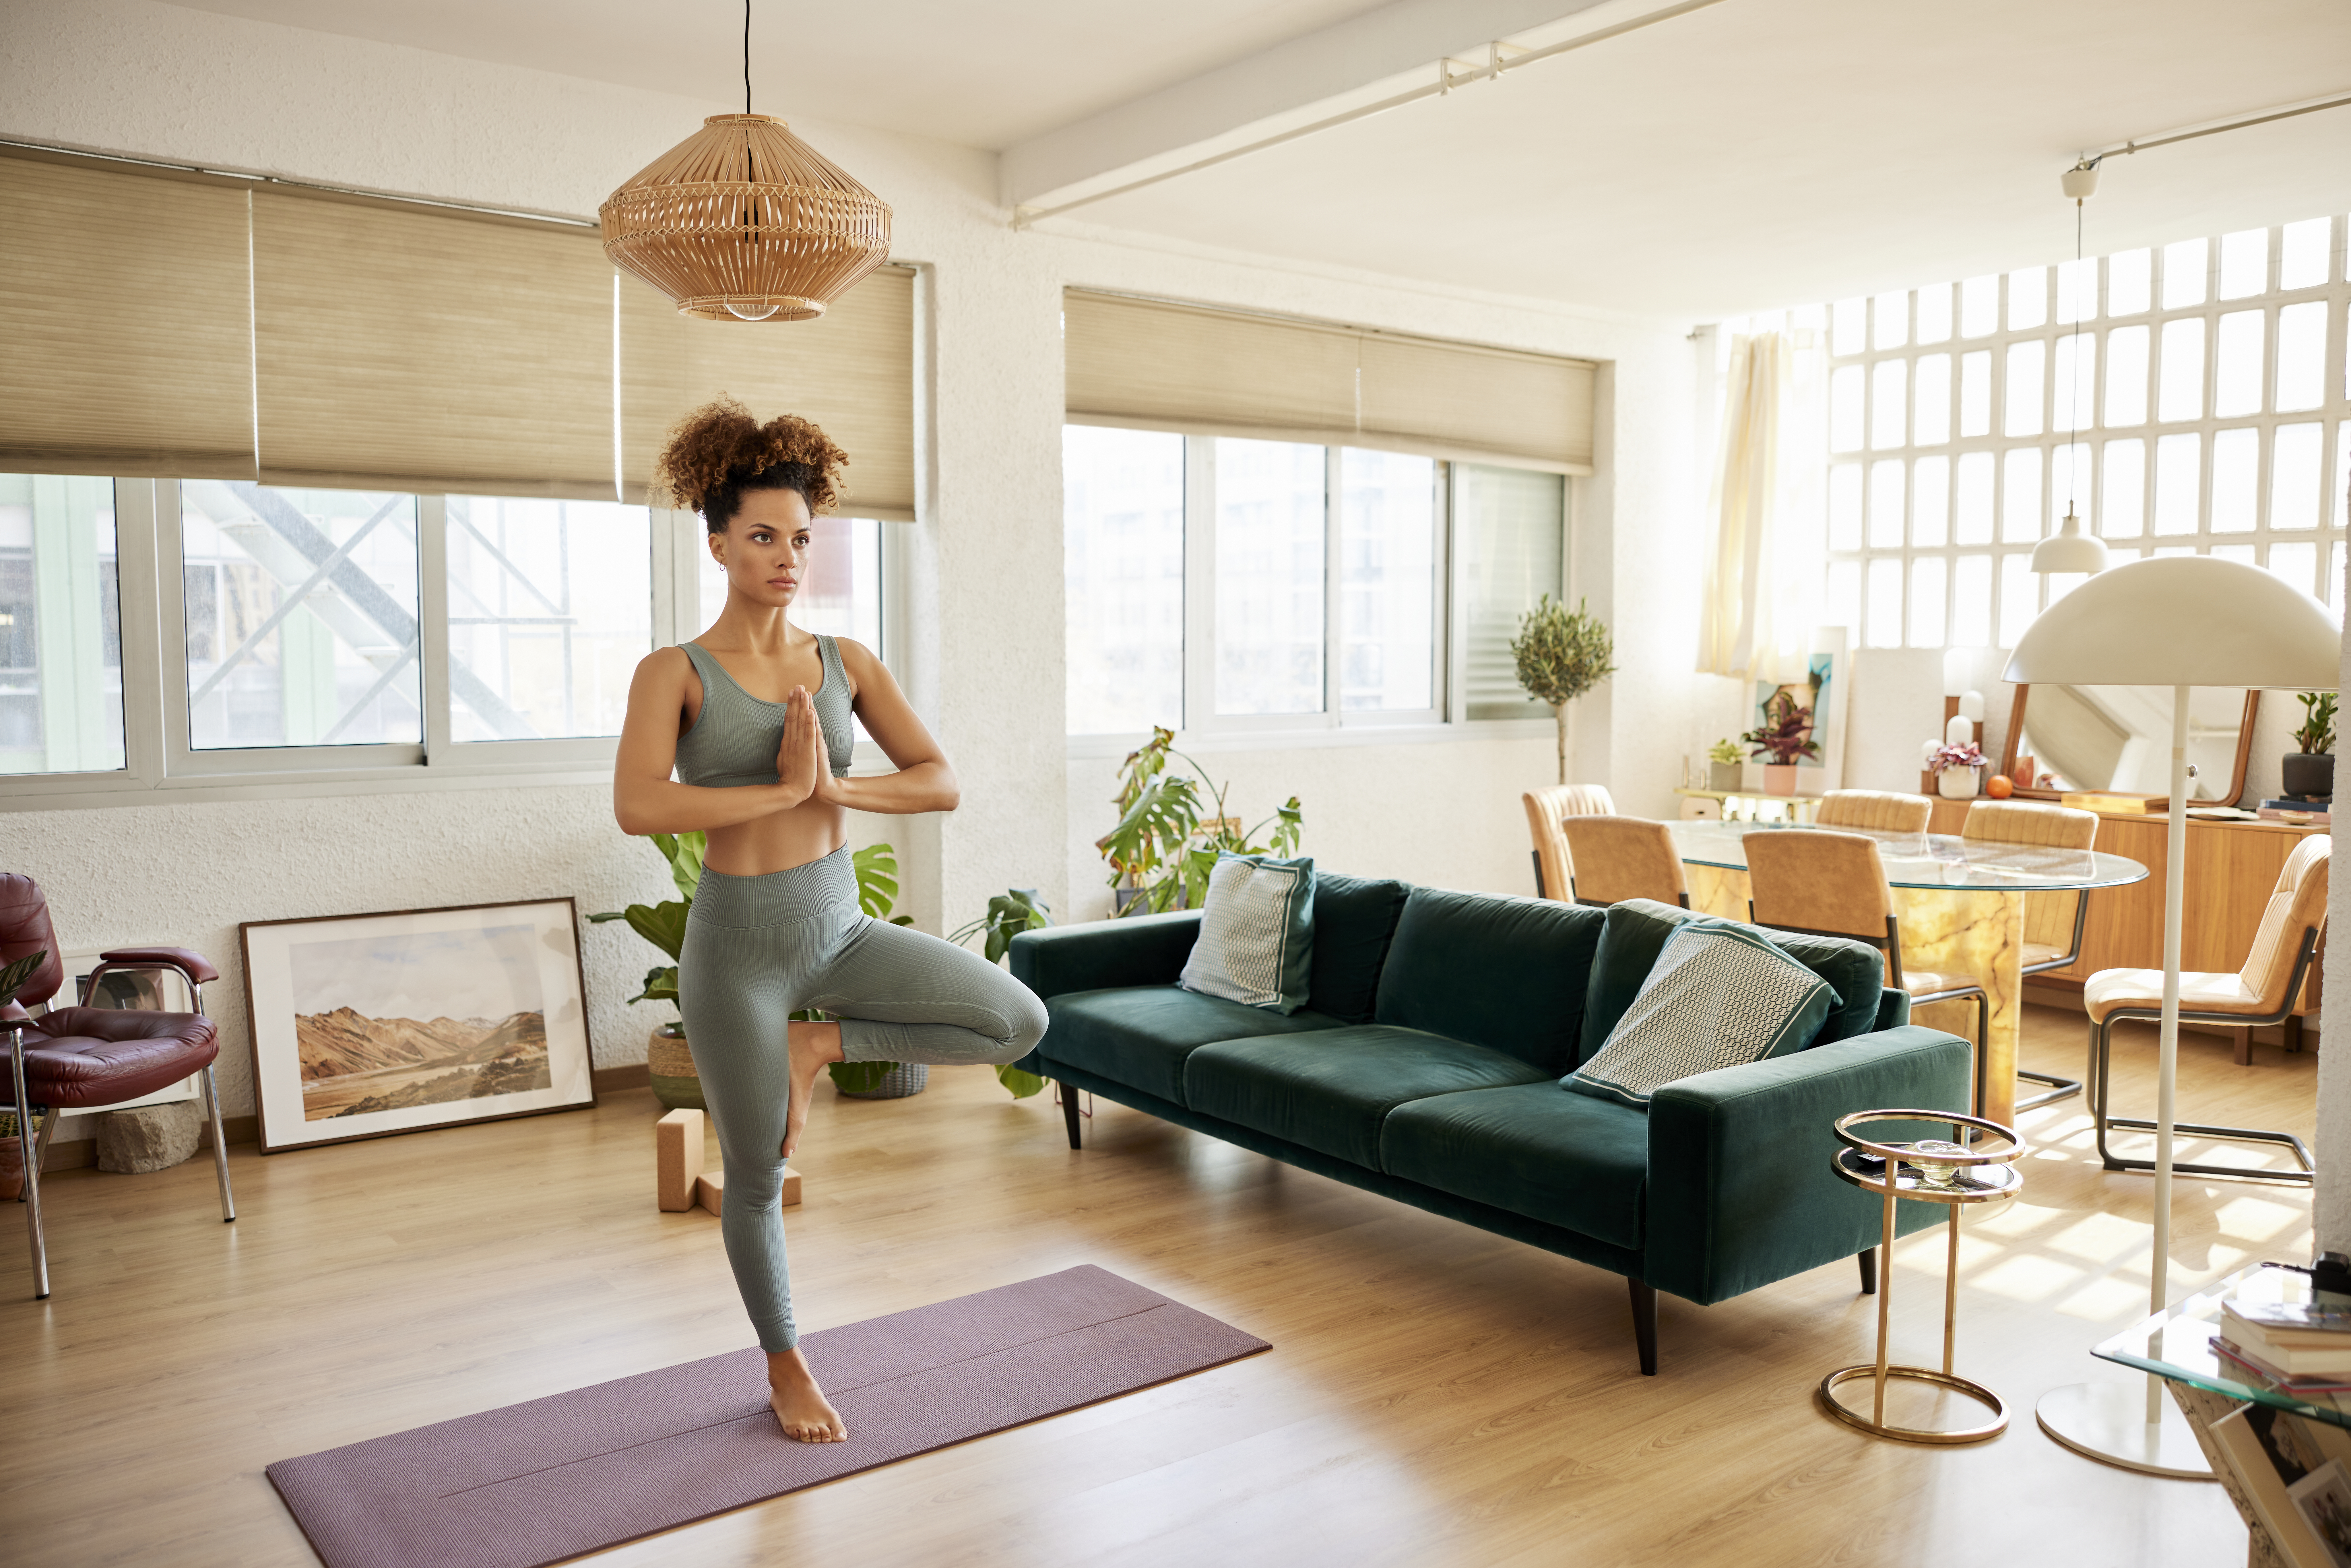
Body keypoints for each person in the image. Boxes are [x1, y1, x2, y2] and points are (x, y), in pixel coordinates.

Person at [613, 397, 1048, 1444]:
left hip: (840, 928)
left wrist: (835, 794)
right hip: (735, 952)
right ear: (716, 542)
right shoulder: (673, 672)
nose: (786, 556)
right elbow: (640, 805)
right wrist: (775, 791)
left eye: (801, 538)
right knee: (757, 1173)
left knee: (1019, 1022)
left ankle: (826, 1042)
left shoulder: (845, 661)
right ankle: (785, 1363)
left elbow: (939, 781)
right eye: (762, 536)